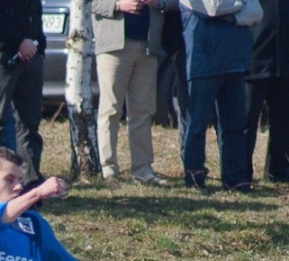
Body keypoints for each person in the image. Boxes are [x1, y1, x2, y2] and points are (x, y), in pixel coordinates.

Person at [91, 0, 176, 184]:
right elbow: (89, 3)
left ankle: (142, 170)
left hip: (148, 46)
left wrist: (158, 2)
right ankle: (109, 170)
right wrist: (117, 5)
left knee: (143, 112)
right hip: (113, 47)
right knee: (111, 109)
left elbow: (176, 2)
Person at [180, 0, 261, 192]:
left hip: (235, 60)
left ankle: (235, 181)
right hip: (203, 60)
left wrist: (231, 15)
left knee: (234, 126)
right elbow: (213, 7)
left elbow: (257, 12)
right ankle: (195, 178)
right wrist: (241, 4)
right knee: (197, 124)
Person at [0, 0, 48, 190]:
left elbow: (35, 14)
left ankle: (30, 180)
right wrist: (19, 41)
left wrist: (38, 46)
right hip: (1, 55)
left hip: (31, 56)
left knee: (29, 123)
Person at [244, 0, 289, 183]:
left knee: (283, 123)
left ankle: (277, 172)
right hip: (254, 59)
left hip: (284, 63)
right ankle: (241, 174)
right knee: (247, 121)